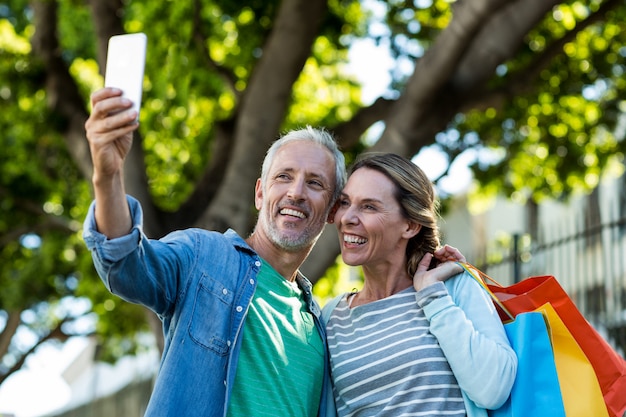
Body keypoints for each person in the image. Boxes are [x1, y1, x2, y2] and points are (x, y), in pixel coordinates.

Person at [82, 87, 347, 417]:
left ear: (333, 209)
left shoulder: (318, 328)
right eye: (284, 177)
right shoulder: (203, 255)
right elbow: (125, 265)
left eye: (315, 183)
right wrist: (107, 177)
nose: (296, 192)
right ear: (260, 194)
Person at [321, 152, 517, 417]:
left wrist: (432, 297)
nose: (347, 218)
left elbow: (493, 389)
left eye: (369, 206)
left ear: (410, 225)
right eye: (345, 203)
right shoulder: (331, 317)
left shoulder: (450, 288)